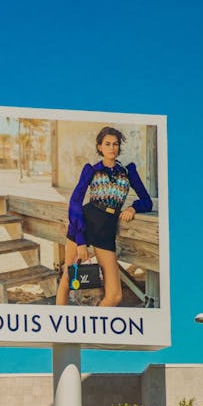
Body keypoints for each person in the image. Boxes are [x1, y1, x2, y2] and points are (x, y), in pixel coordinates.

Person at [62, 126, 153, 307]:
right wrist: (80, 240)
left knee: (115, 296)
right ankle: (60, 318)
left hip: (107, 229)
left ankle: (93, 323)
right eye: (107, 144)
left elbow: (147, 201)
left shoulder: (127, 172)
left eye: (115, 144)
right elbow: (75, 202)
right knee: (67, 279)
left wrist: (133, 208)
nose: (112, 148)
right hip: (86, 222)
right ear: (100, 147)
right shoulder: (91, 170)